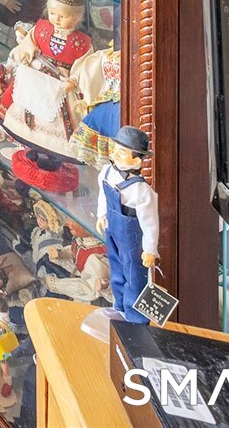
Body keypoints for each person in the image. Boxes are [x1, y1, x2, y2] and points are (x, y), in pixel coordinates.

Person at [96, 125, 158, 323]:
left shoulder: (141, 191)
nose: (115, 154)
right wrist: (101, 215)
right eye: (115, 149)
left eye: (122, 152)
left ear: (137, 160)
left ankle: (136, 318)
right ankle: (120, 306)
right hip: (112, 231)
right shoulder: (106, 172)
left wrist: (150, 249)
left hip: (131, 239)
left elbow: (150, 223)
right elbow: (103, 196)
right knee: (116, 269)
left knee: (134, 276)